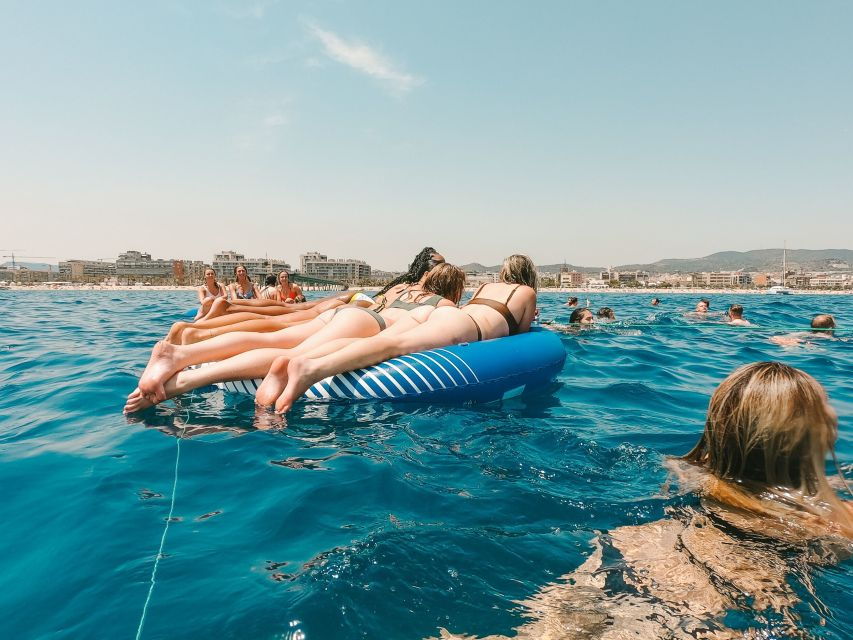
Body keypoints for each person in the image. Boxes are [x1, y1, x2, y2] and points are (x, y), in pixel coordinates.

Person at [433, 362, 853, 639]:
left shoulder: (686, 471)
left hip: (634, 550)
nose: (834, 413)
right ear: (805, 435)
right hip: (723, 588)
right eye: (825, 406)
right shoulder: (836, 519)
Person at [124, 263, 466, 412]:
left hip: (347, 314)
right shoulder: (443, 303)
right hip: (367, 324)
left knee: (272, 339)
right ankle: (183, 379)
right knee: (283, 354)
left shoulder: (402, 288)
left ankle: (181, 355)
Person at [261, 255, 538, 413]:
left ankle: (296, 359)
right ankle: (311, 369)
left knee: (381, 341)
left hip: (449, 317)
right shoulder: (527, 292)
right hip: (464, 326)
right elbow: (522, 334)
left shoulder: (486, 288)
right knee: (392, 346)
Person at [770, 314, 837, 347]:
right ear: (831, 328)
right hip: (805, 341)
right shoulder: (826, 337)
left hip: (785, 337)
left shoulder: (804, 333)